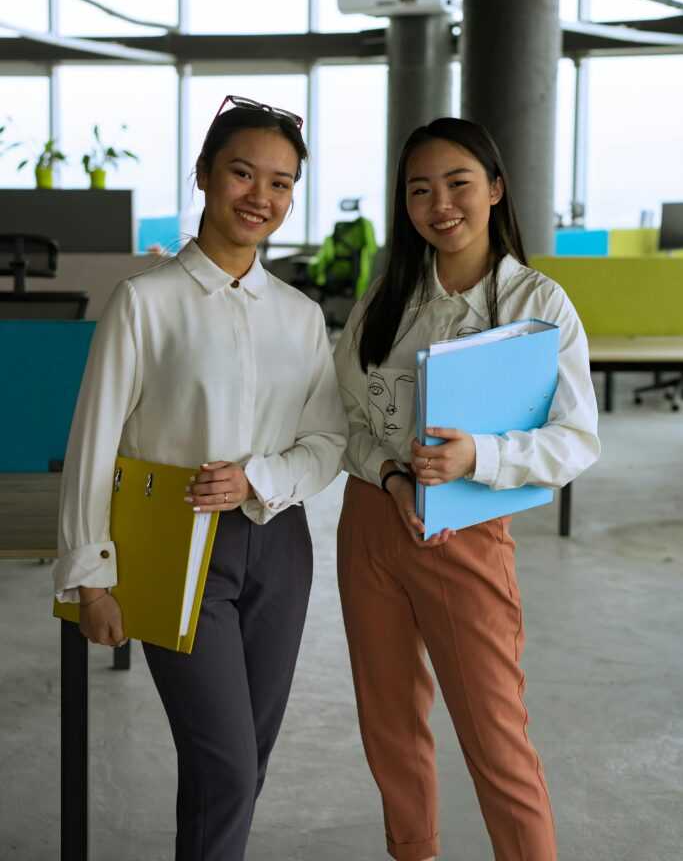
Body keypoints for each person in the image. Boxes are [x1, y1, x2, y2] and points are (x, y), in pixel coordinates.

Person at [55, 94, 348, 861]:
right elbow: (93, 443)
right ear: (204, 176)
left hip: (279, 547)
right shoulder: (144, 302)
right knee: (227, 764)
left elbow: (328, 440)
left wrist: (258, 476)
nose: (261, 197)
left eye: (281, 183)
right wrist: (91, 578)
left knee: (239, 761)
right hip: (171, 544)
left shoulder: (299, 315)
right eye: (243, 174)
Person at [333, 117, 600, 861]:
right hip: (370, 524)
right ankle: (410, 851)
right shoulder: (387, 297)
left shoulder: (536, 305)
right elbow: (347, 416)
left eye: (457, 183)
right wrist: (387, 475)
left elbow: (575, 440)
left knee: (493, 732)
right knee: (388, 724)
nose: (439, 204)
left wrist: (477, 455)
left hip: (467, 532)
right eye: (420, 189)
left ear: (494, 190)